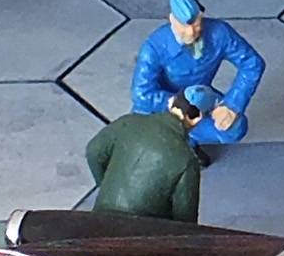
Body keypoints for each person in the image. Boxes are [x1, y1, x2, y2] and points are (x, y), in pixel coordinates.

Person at [131, 0, 263, 147]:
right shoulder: (154, 47)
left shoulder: (220, 34)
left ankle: (190, 140)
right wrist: (176, 103)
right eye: (185, 26)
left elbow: (252, 63)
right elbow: (141, 94)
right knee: (144, 135)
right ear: (172, 20)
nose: (191, 32)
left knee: (234, 128)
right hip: (164, 107)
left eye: (197, 24)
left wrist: (232, 104)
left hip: (201, 99)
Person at [85, 85, 213, 221]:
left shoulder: (128, 122)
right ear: (197, 118)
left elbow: (93, 151)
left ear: (171, 102)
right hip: (145, 229)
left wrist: (105, 185)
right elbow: (185, 220)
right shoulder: (187, 161)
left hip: (101, 218)